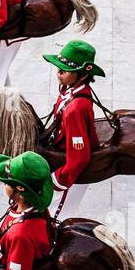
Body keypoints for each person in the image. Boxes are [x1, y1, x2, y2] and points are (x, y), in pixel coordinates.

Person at [40, 39, 103, 221]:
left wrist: (57, 181)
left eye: (64, 71)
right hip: (62, 152)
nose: (58, 74)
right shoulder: (69, 88)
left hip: (72, 174)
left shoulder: (75, 109)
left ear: (81, 74)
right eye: (57, 69)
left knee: (55, 217)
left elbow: (79, 158)